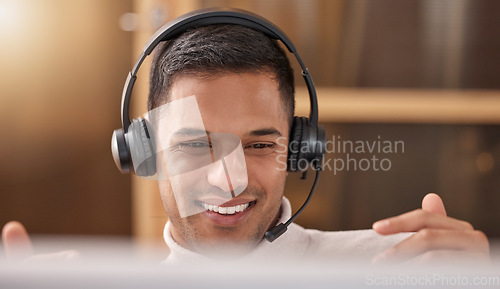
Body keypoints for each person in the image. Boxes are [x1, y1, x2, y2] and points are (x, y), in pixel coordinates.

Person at [2, 19, 490, 265]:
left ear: (299, 148)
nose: (226, 179)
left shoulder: (390, 267)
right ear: (145, 152)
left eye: (259, 146)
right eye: (195, 146)